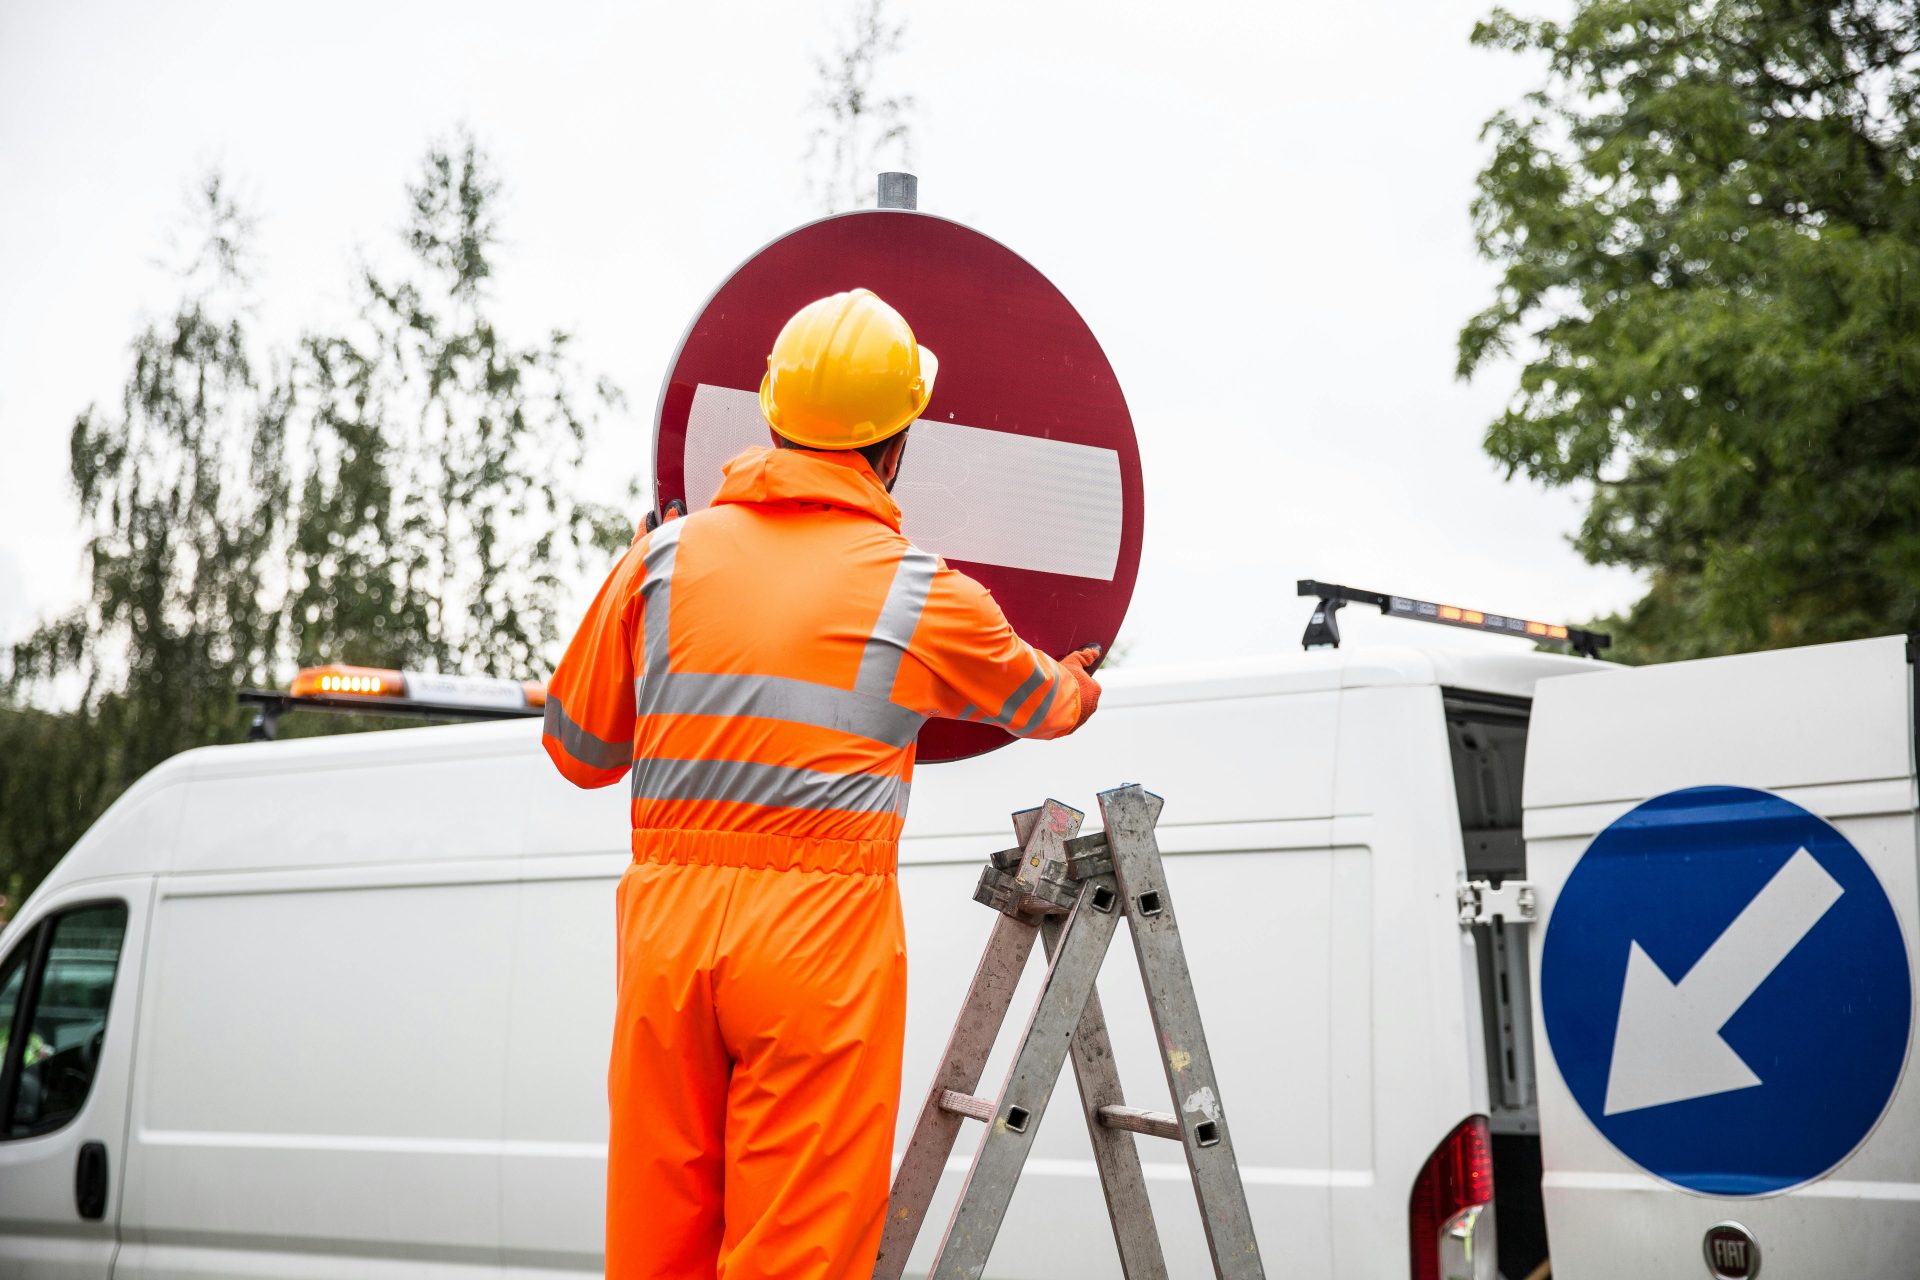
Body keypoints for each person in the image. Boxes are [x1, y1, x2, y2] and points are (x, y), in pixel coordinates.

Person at [542, 286, 1103, 1279]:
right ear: (898, 443)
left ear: (772, 416)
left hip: (668, 938)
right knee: (795, 1252)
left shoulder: (660, 563)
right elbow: (1042, 705)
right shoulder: (921, 591)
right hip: (817, 943)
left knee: (657, 1241)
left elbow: (578, 753)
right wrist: (1078, 676)